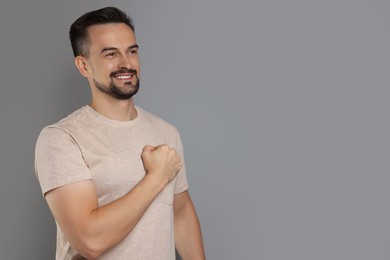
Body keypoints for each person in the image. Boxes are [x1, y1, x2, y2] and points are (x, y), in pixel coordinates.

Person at [34, 6, 205, 260]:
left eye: (132, 51)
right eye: (111, 54)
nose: (126, 63)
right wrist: (157, 176)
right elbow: (91, 240)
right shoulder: (61, 139)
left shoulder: (166, 133)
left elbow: (180, 214)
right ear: (83, 65)